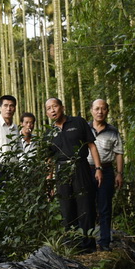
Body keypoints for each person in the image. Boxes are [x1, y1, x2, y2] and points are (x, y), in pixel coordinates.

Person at [44, 97, 103, 254]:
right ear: (47, 113)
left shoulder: (78, 122)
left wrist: (98, 168)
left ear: (62, 107)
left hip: (80, 166)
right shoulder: (48, 133)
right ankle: (72, 246)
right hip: (61, 171)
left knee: (85, 206)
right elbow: (49, 160)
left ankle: (88, 246)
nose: (52, 110)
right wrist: (49, 182)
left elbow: (91, 145)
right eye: (49, 108)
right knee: (66, 208)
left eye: (55, 106)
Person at [88, 99, 125, 252]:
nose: (100, 112)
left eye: (103, 109)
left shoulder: (112, 131)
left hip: (107, 170)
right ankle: (88, 243)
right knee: (87, 207)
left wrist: (119, 173)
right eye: (97, 108)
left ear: (107, 111)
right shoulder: (85, 128)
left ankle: (104, 242)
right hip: (87, 171)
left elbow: (119, 153)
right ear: (91, 110)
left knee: (105, 207)